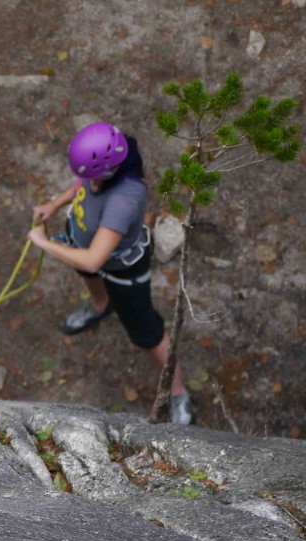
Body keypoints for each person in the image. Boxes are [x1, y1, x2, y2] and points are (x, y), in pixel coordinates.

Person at [27, 122, 193, 425]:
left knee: (147, 331)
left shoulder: (124, 200)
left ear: (107, 171)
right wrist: (54, 204)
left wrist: (43, 244)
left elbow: (93, 260)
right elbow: (81, 184)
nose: (84, 179)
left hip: (121, 268)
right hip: (79, 239)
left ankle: (178, 390)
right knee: (88, 277)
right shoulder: (102, 166)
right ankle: (101, 306)